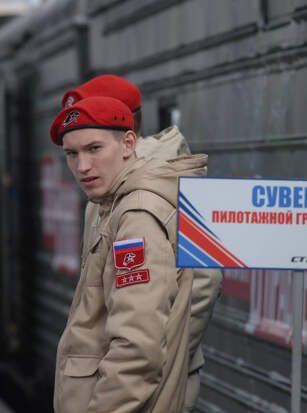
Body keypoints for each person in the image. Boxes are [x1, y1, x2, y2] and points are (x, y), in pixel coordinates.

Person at [62, 74, 223, 412]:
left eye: (93, 146)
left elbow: (200, 287)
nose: (82, 164)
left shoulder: (140, 202)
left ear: (127, 138)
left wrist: (166, 360)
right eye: (72, 151)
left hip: (135, 391)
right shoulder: (112, 188)